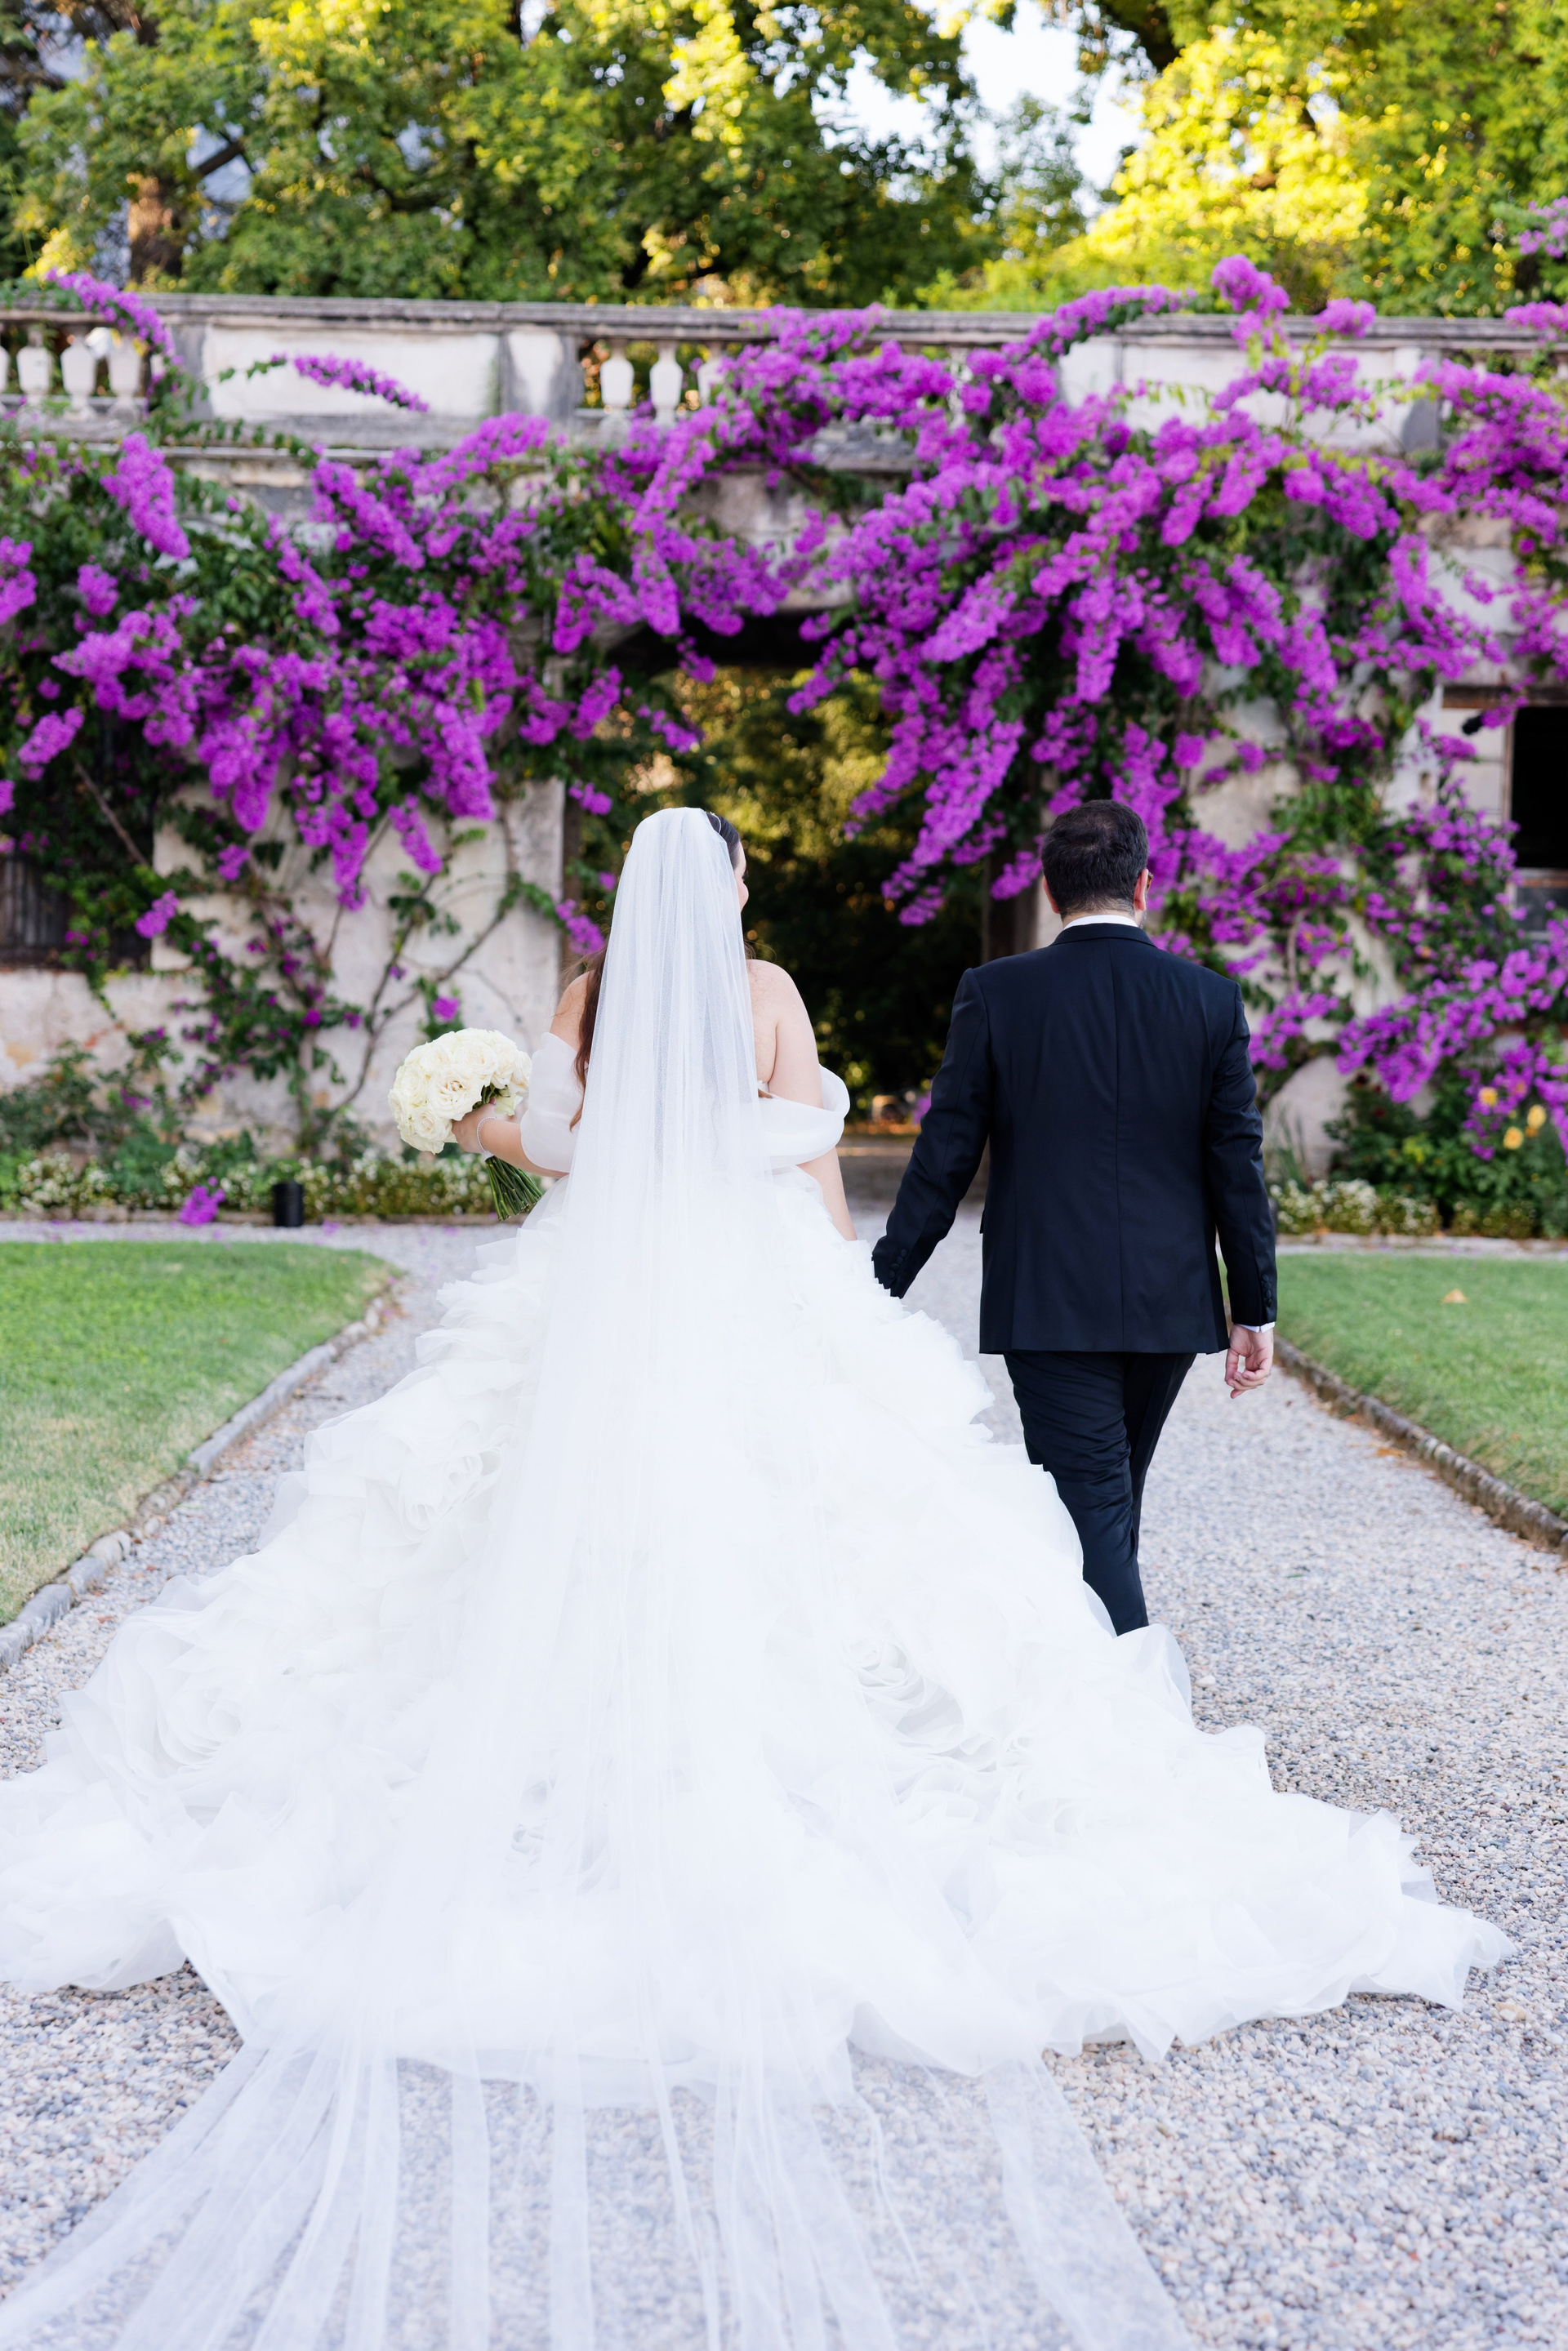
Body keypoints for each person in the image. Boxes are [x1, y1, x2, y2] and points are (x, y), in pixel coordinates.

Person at [0, 808, 1505, 2351]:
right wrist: (849, 1302)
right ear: (725, 883)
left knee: (516, 1521)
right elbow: (809, 1165)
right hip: (751, 1298)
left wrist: (477, 1117)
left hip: (603, 1307)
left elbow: (567, 1151)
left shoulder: (586, 997)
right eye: (734, 869)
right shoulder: (770, 991)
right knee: (858, 1540)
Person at [874, 799, 1276, 1636]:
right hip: (1167, 1302)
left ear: (1050, 893)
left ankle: (1131, 1702)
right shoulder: (1210, 1000)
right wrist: (1255, 1308)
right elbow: (1236, 1165)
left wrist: (881, 1283)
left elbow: (945, 1156)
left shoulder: (997, 993)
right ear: (1144, 885)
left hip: (1047, 1298)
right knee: (1104, 1508)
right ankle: (1114, 1688)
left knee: (1093, 1512)